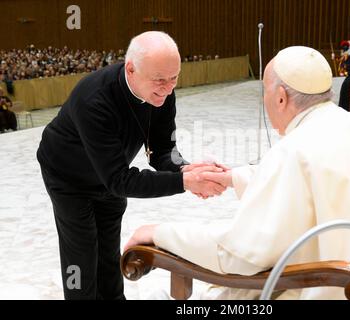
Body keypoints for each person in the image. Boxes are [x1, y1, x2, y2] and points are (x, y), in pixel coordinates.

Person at [125, 46, 350, 300]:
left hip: (325, 287)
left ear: (280, 97)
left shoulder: (293, 150)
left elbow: (239, 254)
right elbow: (307, 182)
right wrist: (233, 177)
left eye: (264, 91)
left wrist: (159, 233)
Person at [36, 31, 227, 300]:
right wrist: (184, 182)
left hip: (112, 171)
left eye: (174, 79)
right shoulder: (94, 99)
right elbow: (119, 180)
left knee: (109, 250)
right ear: (131, 69)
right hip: (69, 177)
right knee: (80, 253)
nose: (168, 88)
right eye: (160, 80)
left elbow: (162, 150)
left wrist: (187, 169)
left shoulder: (162, 92)